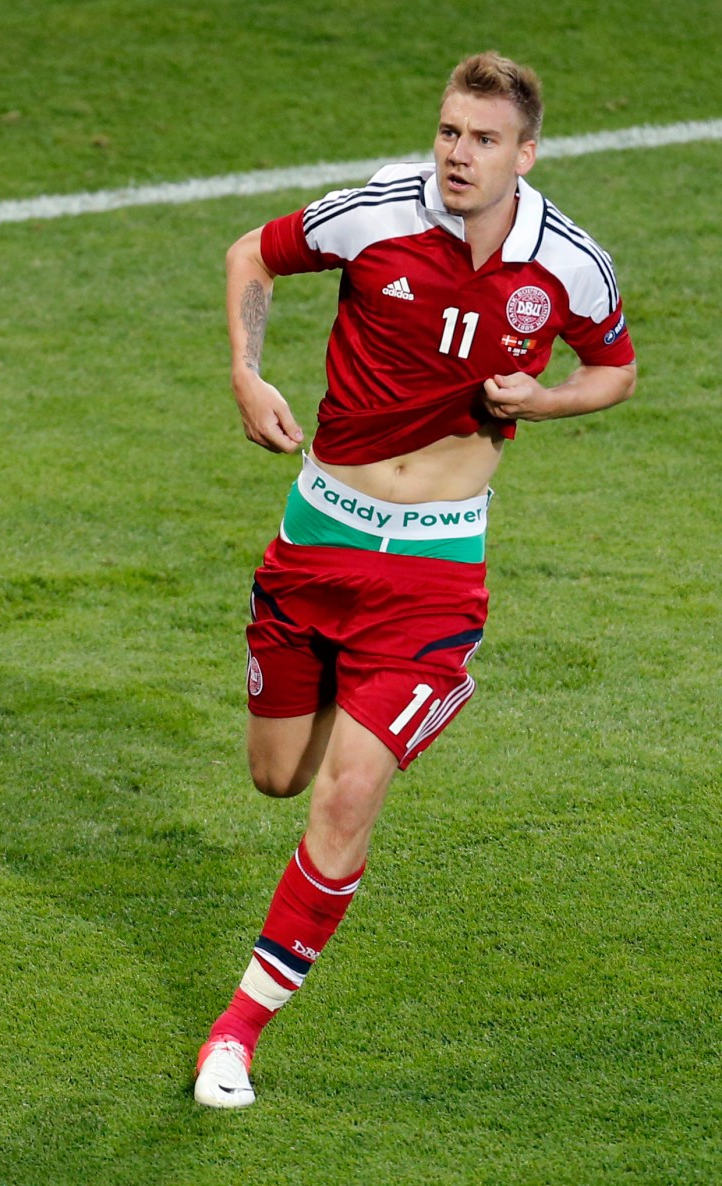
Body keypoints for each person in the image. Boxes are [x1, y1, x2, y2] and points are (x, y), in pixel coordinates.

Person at [194, 50, 636, 1108]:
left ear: (525, 154)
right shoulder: (376, 216)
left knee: (348, 793)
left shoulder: (569, 266)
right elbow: (249, 253)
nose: (457, 153)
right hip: (317, 541)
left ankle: (234, 1033)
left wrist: (545, 401)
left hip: (435, 570)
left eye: (482, 139)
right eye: (448, 131)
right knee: (277, 776)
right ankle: (387, 696)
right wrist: (247, 372)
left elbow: (615, 367)